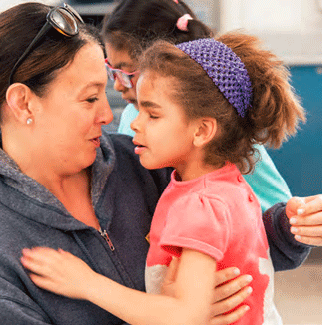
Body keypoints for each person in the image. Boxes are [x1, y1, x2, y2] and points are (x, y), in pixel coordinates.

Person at [0, 2, 322, 325]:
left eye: (106, 92)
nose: (109, 114)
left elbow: (226, 237)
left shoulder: (144, 164)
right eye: (89, 99)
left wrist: (284, 228)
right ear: (23, 103)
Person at [21, 32, 306, 324]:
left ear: (202, 131)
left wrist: (86, 283)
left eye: (152, 115)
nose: (135, 123)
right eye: (138, 109)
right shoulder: (227, 183)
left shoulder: (200, 205)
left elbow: (183, 315)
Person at [102, 0, 292, 213]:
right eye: (112, 71)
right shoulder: (131, 117)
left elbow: (280, 211)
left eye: (126, 72)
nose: (117, 85)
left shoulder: (205, 204)